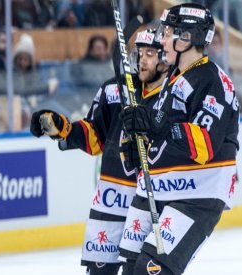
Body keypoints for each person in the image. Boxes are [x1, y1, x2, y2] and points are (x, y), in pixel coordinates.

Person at [29, 28, 169, 275]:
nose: (144, 59)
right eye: (140, 53)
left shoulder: (173, 96)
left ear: (165, 57)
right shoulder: (114, 90)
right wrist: (62, 127)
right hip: (111, 199)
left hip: (149, 202)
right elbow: (95, 138)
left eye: (151, 53)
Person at [119, 3, 238, 274]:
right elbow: (162, 133)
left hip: (196, 195)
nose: (161, 38)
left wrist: (155, 126)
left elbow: (204, 144)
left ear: (187, 38)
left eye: (168, 31)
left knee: (151, 270)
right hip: (161, 187)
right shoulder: (174, 76)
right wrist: (140, 142)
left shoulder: (211, 81)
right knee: (128, 268)